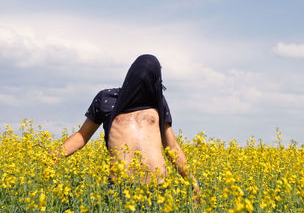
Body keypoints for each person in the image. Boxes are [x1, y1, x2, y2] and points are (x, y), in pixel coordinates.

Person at [52, 54, 199, 193]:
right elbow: (81, 136)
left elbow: (172, 147)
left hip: (157, 189)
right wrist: (50, 158)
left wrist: (193, 182)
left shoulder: (158, 102)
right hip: (120, 188)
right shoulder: (107, 98)